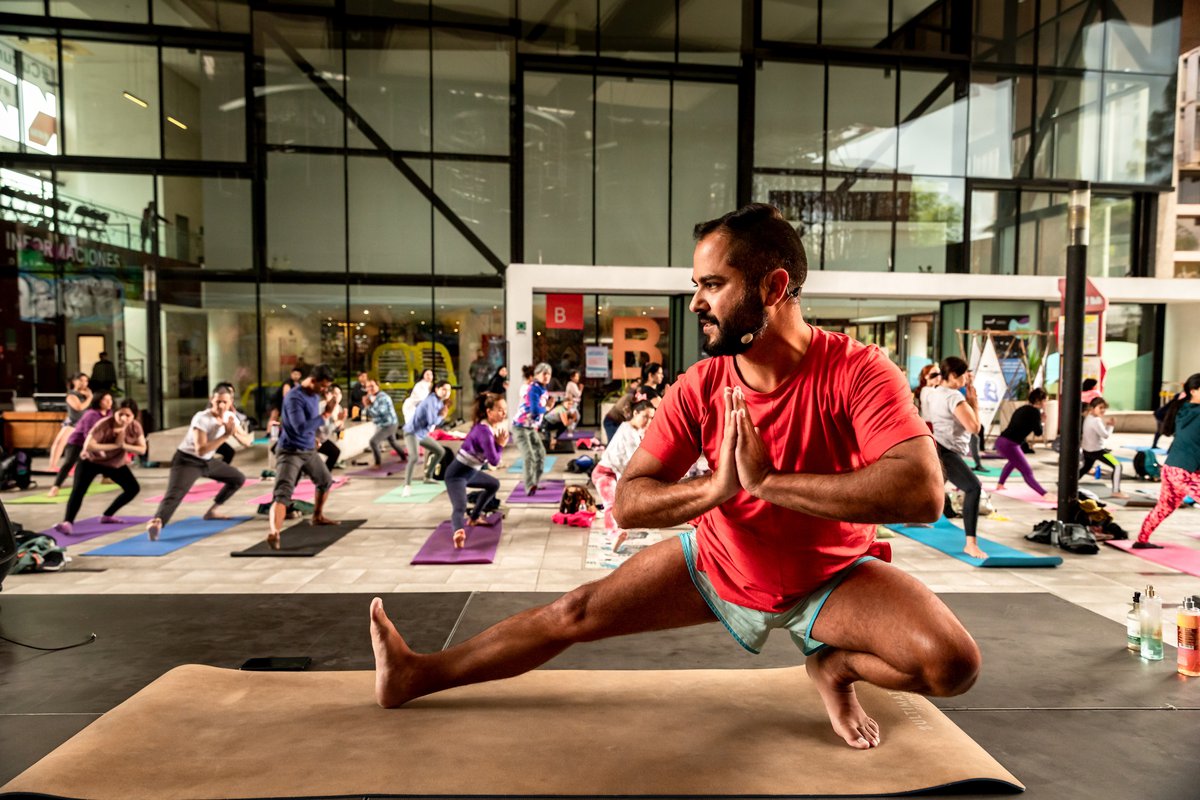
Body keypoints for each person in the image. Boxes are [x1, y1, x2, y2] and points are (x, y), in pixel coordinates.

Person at [369, 203, 975, 753]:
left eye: (713, 284)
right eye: (696, 286)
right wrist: (714, 491)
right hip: (720, 562)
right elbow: (629, 502)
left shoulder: (859, 370)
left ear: (773, 286)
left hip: (830, 578)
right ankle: (415, 674)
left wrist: (767, 482)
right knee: (575, 612)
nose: (696, 303)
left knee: (951, 664)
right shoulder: (702, 386)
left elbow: (922, 493)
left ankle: (833, 668)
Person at [146, 388, 251, 541]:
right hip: (187, 461)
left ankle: (212, 511)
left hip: (207, 462)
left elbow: (247, 441)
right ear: (211, 400)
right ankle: (157, 522)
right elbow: (200, 450)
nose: (221, 405)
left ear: (231, 402)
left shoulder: (230, 417)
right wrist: (226, 435)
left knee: (238, 478)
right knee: (175, 494)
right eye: (218, 402)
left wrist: (235, 432)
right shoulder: (202, 418)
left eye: (225, 402)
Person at [269, 364, 341, 550]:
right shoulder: (294, 398)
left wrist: (315, 437)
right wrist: (326, 414)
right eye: (323, 386)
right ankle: (274, 532)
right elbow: (300, 427)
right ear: (313, 380)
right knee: (283, 493)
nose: (324, 390)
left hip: (308, 449)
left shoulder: (314, 395)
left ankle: (317, 516)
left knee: (325, 481)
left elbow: (311, 423)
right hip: (290, 451)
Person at [54, 399, 146, 535]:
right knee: (78, 491)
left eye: (128, 415)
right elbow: (88, 445)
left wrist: (123, 445)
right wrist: (115, 446)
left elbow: (142, 449)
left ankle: (107, 515)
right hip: (91, 462)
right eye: (120, 414)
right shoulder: (104, 424)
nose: (123, 418)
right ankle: (67, 522)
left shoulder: (135, 427)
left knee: (133, 489)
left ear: (133, 416)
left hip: (114, 463)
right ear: (114, 413)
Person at [927, 357, 986, 559]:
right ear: (952, 375)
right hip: (946, 451)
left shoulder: (935, 392)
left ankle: (911, 519)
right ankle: (971, 544)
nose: (965, 379)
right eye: (963, 376)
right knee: (973, 488)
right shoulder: (954, 397)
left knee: (931, 488)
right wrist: (974, 404)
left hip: (936, 446)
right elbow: (974, 428)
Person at [1135, 373, 1200, 549]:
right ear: (1193, 391)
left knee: (1165, 506)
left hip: (1171, 468)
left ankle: (1142, 540)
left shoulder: (1181, 408)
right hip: (1185, 470)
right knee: (1165, 506)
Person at [444, 393, 509, 549]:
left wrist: (498, 444)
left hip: (471, 473)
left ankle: (474, 518)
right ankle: (458, 532)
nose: (504, 413)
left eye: (505, 409)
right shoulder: (484, 431)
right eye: (500, 410)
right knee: (460, 507)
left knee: (493, 484)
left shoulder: (488, 427)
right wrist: (500, 445)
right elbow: (494, 461)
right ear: (489, 412)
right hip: (456, 476)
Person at [592, 400, 655, 552]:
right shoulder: (627, 431)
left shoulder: (635, 430)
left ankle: (622, 525)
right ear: (635, 413)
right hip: (604, 473)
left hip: (617, 475)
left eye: (651, 418)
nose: (648, 421)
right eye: (645, 416)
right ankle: (614, 535)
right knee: (611, 504)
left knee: (622, 504)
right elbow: (635, 460)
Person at [49, 391, 113, 497]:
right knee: (69, 463)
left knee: (105, 457)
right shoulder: (91, 414)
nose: (109, 402)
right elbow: (87, 433)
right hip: (77, 442)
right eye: (105, 400)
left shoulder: (109, 413)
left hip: (93, 442)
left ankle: (105, 477)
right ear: (98, 401)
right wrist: (96, 447)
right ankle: (55, 487)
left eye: (110, 399)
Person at [994, 388, 1049, 496]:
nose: (1045, 403)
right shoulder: (1035, 412)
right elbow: (1038, 432)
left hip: (1001, 440)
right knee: (1027, 471)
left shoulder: (1022, 408)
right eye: (1045, 400)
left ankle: (1000, 484)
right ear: (1039, 400)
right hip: (1010, 444)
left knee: (1013, 462)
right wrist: (1042, 422)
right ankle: (1045, 494)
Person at [402, 380, 451, 495]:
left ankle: (428, 477)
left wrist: (441, 415)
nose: (446, 392)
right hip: (411, 432)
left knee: (440, 451)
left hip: (421, 434)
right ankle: (407, 486)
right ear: (436, 389)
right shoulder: (431, 400)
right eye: (444, 389)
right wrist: (442, 416)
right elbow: (431, 420)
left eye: (448, 390)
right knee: (414, 457)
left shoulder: (439, 402)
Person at [512, 363, 552, 496]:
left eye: (549, 374)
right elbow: (534, 411)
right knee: (528, 456)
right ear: (536, 375)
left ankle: (534, 483)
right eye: (544, 373)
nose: (546, 376)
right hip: (520, 427)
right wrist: (546, 408)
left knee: (540, 454)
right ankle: (529, 486)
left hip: (530, 428)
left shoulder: (542, 389)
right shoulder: (533, 388)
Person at [1079, 397, 1127, 499]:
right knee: (1117, 465)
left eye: (1104, 408)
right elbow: (1105, 435)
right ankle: (1116, 491)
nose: (1103, 410)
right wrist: (1111, 426)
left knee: (1085, 468)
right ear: (1092, 408)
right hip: (1098, 451)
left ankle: (1068, 484)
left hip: (1087, 450)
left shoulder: (1088, 418)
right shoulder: (1096, 420)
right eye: (1100, 407)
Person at [49, 373, 92, 471]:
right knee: (60, 442)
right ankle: (52, 466)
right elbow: (79, 407)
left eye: (86, 381)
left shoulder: (86, 395)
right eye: (81, 380)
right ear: (74, 381)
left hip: (83, 424)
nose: (84, 383)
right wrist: (90, 398)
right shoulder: (72, 395)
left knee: (77, 446)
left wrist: (89, 397)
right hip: (73, 422)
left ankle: (73, 466)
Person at [363, 380, 405, 467]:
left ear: (378, 386)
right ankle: (404, 458)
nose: (370, 388)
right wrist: (367, 405)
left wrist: (368, 405)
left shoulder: (383, 397)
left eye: (372, 386)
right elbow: (368, 412)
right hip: (384, 424)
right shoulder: (372, 396)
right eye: (368, 387)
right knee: (393, 442)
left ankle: (377, 464)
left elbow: (380, 412)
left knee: (373, 442)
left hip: (389, 424)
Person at [213, 381, 251, 465]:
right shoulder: (206, 416)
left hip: (214, 442)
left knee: (229, 452)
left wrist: (237, 434)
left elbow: (244, 438)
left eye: (231, 397)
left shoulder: (229, 415)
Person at [317, 385, 348, 471]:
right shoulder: (322, 406)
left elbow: (335, 428)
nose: (337, 396)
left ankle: (325, 475)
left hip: (321, 438)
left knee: (335, 452)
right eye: (334, 393)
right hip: (312, 439)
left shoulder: (338, 408)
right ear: (328, 394)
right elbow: (323, 428)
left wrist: (341, 424)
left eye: (339, 393)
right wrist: (337, 422)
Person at [602, 379, 641, 443]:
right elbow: (626, 412)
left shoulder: (631, 397)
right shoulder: (629, 397)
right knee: (614, 442)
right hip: (611, 421)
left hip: (616, 421)